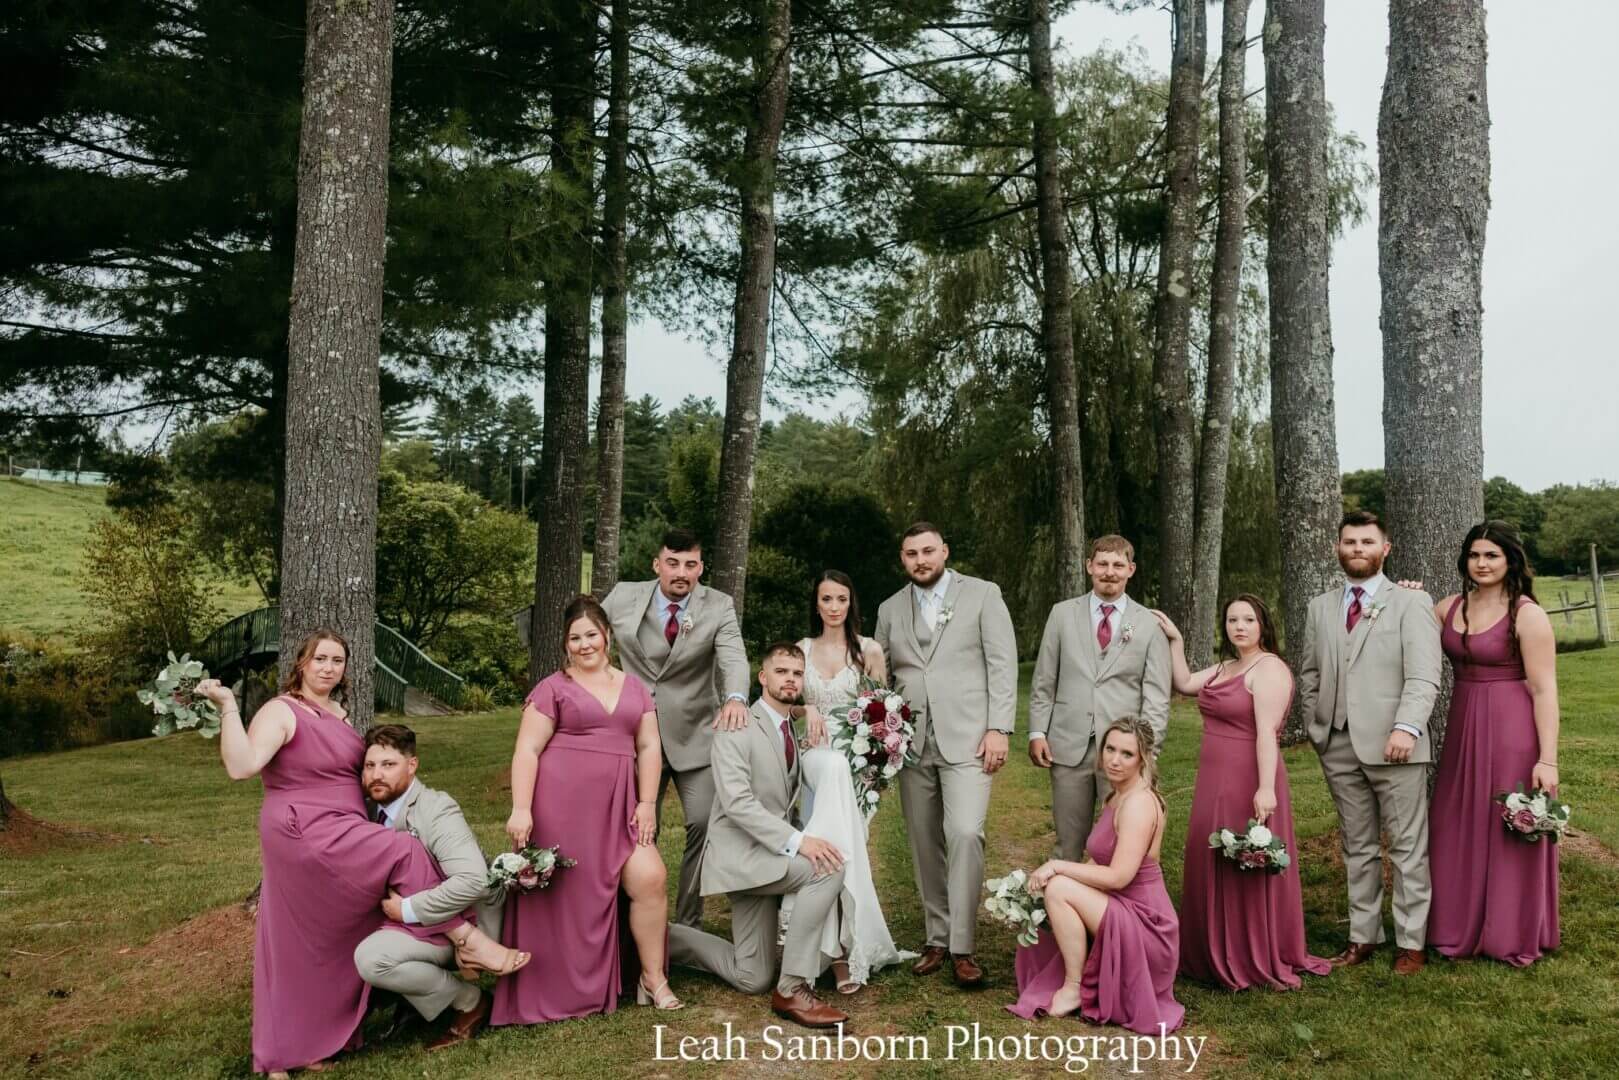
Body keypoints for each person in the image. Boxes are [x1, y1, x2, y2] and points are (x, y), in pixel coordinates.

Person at [199, 630, 525, 1078]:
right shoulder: (282, 710)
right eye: (320, 659)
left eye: (338, 660)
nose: (329, 668)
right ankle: (468, 941)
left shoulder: (337, 713)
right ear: (302, 663)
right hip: (307, 830)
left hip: (345, 826)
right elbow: (242, 766)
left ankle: (305, 1046)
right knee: (403, 850)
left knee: (317, 944)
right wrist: (228, 707)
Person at [494, 594, 680, 1024]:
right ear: (565, 643)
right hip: (561, 808)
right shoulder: (552, 688)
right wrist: (521, 808)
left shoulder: (635, 688)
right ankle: (563, 985)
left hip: (621, 806)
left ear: (607, 635)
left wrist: (647, 803)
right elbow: (527, 749)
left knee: (651, 876)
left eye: (591, 634)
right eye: (574, 638)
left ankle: (653, 978)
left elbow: (649, 746)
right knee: (569, 896)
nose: (584, 644)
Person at [668, 643, 851, 1029]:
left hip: (767, 857)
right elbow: (737, 803)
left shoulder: (788, 727)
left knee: (751, 978)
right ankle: (794, 987)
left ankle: (659, 938)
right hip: (743, 858)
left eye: (797, 673)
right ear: (763, 677)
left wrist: (809, 710)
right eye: (781, 672)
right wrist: (800, 842)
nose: (790, 680)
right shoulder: (736, 723)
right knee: (827, 869)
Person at [1156, 596, 1331, 991]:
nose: (1239, 626)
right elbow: (1185, 683)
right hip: (1212, 777)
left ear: (1262, 624)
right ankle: (1210, 948)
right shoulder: (1226, 667)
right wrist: (1176, 640)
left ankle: (1249, 952)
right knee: (1211, 853)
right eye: (1232, 619)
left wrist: (1265, 788)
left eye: (1248, 619)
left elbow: (1267, 733)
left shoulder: (1269, 669)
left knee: (1243, 856)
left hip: (1248, 774)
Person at [1296, 510, 1442, 975]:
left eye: (1366, 542)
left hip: (1395, 745)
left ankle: (1411, 943)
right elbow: (1310, 673)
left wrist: (1407, 727)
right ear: (1337, 548)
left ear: (1385, 549)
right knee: (1356, 846)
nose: (1357, 549)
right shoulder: (1320, 607)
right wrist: (1317, 726)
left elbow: (1424, 675)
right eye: (1350, 542)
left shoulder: (1411, 603)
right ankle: (1363, 935)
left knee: (1406, 846)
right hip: (1337, 744)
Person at [874, 522, 1018, 987]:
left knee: (965, 833)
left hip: (969, 737)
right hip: (911, 743)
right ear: (902, 558)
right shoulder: (889, 609)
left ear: (944, 552)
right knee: (923, 841)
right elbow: (881, 678)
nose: (921, 560)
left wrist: (999, 727)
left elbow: (1002, 663)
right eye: (911, 553)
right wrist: (883, 734)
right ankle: (937, 937)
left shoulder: (982, 594)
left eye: (928, 551)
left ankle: (963, 946)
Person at [600, 528, 750, 927]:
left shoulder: (718, 605)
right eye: (672, 563)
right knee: (632, 828)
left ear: (701, 568)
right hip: (633, 737)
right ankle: (625, 924)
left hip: (694, 736)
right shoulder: (623, 596)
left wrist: (736, 697)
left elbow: (734, 658)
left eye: (690, 565)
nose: (681, 572)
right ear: (657, 564)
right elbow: (590, 637)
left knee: (704, 822)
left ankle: (687, 924)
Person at [1428, 521, 1561, 965]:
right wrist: (1408, 595)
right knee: (1454, 822)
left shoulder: (1527, 614)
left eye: (1491, 555)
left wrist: (1547, 759)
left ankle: (1509, 930)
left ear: (1510, 560)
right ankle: (1454, 925)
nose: (1481, 564)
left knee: (1508, 825)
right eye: (1474, 555)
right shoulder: (1447, 607)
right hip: (1462, 725)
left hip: (1511, 729)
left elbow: (1544, 690)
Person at [1009, 717, 1184, 1035]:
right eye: (1110, 749)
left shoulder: (1138, 804)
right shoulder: (1117, 795)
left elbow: (1118, 877)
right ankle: (1078, 976)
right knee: (1055, 887)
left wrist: (1058, 866)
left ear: (1143, 759)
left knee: (1059, 886)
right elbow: (1099, 861)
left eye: (1127, 754)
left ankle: (1075, 987)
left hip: (1146, 926)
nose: (1115, 760)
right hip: (1124, 907)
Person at [789, 569, 915, 993]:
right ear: (816, 603)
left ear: (851, 602)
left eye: (841, 599)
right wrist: (807, 709)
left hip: (856, 769)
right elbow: (784, 703)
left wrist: (878, 769)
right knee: (820, 853)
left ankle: (844, 950)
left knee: (846, 853)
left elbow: (883, 712)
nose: (834, 607)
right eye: (826, 599)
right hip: (814, 765)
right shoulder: (802, 649)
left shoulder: (869, 650)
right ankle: (822, 952)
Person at [353, 725, 506, 1051]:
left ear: (412, 765)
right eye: (370, 766)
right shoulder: (365, 812)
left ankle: (470, 1002)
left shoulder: (436, 809)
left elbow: (473, 881)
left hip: (461, 924)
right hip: (403, 923)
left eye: (388, 765)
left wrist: (408, 909)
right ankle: (401, 1002)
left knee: (372, 959)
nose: (377, 775)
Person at [1028, 535, 1172, 861]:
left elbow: (1156, 696)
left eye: (1118, 565)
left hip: (1125, 749)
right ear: (1089, 566)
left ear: (1131, 570)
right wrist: (1037, 732)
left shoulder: (1148, 623)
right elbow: (1044, 681)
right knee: (1068, 841)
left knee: (1123, 843)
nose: (1109, 572)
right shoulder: (1062, 614)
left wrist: (1147, 751)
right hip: (1068, 743)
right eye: (1102, 564)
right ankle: (1064, 891)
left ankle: (1115, 896)